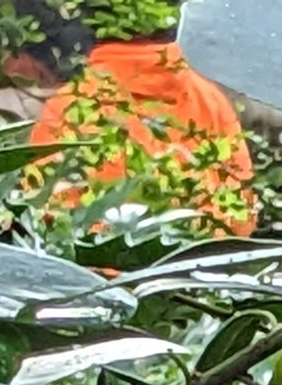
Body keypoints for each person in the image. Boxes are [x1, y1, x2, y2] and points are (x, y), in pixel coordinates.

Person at [26, 1, 256, 237]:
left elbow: (45, 213)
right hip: (196, 257)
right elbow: (239, 215)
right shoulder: (211, 103)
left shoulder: (69, 107)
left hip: (100, 258)